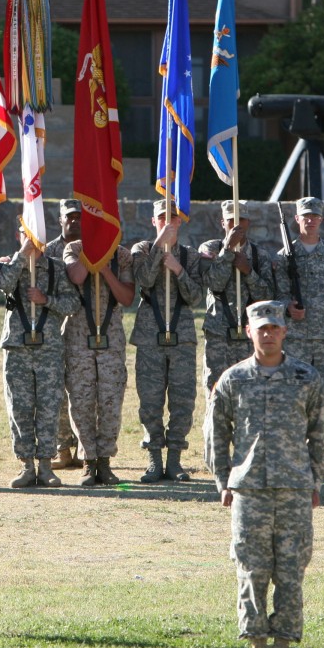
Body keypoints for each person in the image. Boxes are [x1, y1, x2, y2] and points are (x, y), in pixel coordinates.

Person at [207, 300, 324, 648]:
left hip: (294, 487)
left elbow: (320, 434)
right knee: (252, 569)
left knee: (291, 569)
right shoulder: (233, 379)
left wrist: (315, 478)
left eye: (274, 327)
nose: (268, 333)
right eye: (261, 328)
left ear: (285, 331)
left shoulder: (305, 377)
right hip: (249, 490)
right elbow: (216, 433)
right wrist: (222, 480)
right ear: (249, 332)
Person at [0, 224, 81, 489]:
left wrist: (46, 300)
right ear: (18, 236)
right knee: (19, 408)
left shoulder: (56, 268)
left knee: (48, 408)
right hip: (17, 348)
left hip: (48, 349)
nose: (30, 240)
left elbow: (73, 304)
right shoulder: (10, 264)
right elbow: (1, 287)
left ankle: (46, 465)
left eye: (34, 235)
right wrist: (22, 256)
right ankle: (26, 466)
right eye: (25, 234)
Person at [130, 198, 205, 482]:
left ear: (180, 221)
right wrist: (161, 245)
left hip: (182, 338)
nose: (167, 222)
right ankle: (154, 459)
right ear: (153, 221)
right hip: (150, 337)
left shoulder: (190, 256)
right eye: (161, 217)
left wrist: (178, 269)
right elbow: (145, 280)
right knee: (150, 401)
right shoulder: (142, 250)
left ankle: (175, 460)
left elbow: (196, 297)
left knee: (182, 401)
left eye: (172, 218)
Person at [199, 200, 276, 462]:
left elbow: (267, 296)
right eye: (231, 220)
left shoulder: (260, 256)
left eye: (242, 220)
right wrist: (228, 252)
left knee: (250, 397)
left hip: (249, 338)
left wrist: (249, 272)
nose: (237, 225)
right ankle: (216, 456)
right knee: (216, 394)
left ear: (249, 223)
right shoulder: (210, 249)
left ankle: (247, 456)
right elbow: (212, 283)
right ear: (223, 223)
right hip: (219, 334)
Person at [63, 238, 135, 486]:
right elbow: (77, 277)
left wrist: (105, 268)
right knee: (81, 401)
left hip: (110, 339)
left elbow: (127, 297)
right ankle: (88, 461)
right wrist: (92, 255)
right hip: (78, 338)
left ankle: (104, 461)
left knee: (110, 400)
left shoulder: (122, 255)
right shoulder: (74, 249)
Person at [275, 197, 324, 424]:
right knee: (295, 395)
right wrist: (287, 308)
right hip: (295, 338)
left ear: (321, 219)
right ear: (297, 219)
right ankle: (296, 450)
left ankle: (318, 452)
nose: (310, 220)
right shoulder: (284, 257)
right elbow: (276, 294)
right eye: (305, 216)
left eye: (315, 216)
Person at [46, 198, 83, 470]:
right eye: (68, 217)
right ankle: (63, 449)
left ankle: (85, 448)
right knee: (58, 392)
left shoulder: (95, 248)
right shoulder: (48, 252)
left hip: (89, 327)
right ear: (60, 220)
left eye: (78, 217)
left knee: (84, 391)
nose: (73, 221)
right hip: (56, 328)